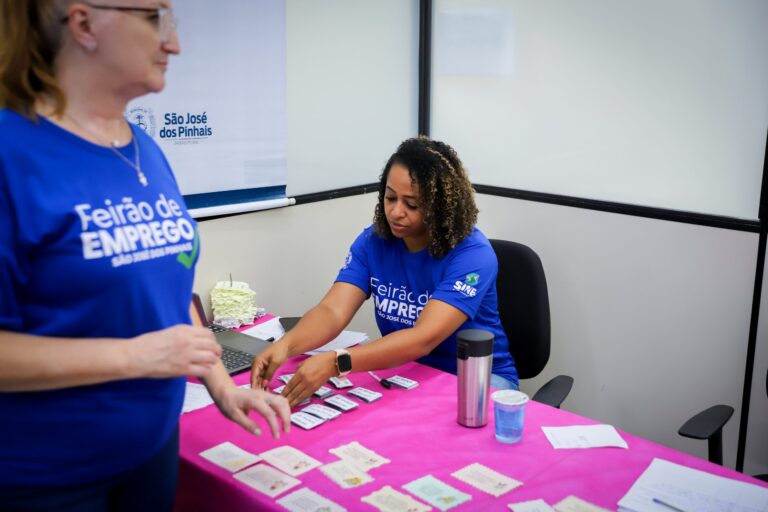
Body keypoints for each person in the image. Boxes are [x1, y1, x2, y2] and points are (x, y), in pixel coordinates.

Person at [0, 1, 289, 510]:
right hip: (45, 477)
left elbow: (165, 292)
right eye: (156, 18)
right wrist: (135, 356)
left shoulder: (145, 149)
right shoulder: (12, 154)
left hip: (152, 453)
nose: (173, 43)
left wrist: (221, 386)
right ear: (85, 22)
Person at [252, 137, 518, 406]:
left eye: (412, 204)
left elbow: (421, 339)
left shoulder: (473, 255)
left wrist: (337, 361)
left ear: (439, 209)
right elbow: (332, 311)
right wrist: (286, 346)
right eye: (390, 197)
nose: (396, 212)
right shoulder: (373, 242)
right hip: (407, 373)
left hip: (477, 379)